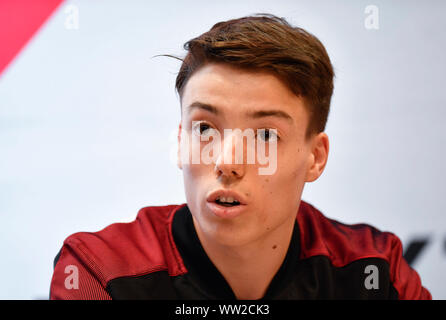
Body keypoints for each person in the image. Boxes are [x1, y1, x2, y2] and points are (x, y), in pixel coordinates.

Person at [50, 13, 431, 300]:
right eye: (205, 129)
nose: (227, 162)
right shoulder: (100, 270)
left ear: (315, 157)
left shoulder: (375, 271)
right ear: (181, 142)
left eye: (265, 135)